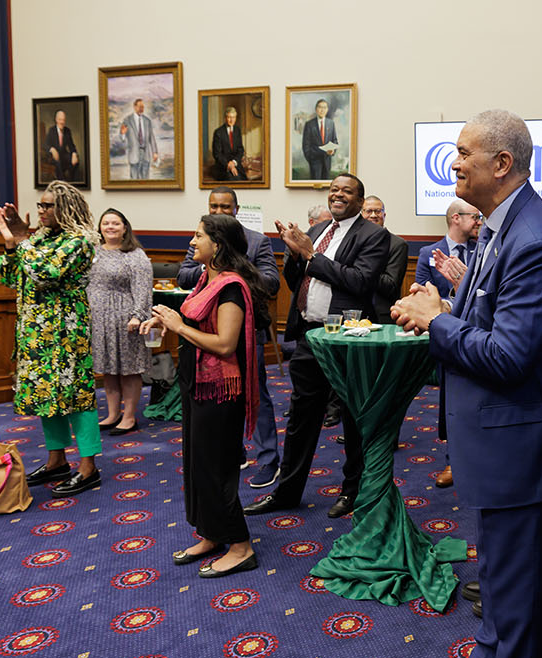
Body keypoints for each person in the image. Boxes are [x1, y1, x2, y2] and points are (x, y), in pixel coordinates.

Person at [393, 109, 542, 658]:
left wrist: (435, 321)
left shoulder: (534, 238)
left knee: (521, 579)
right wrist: (443, 312)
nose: (453, 164)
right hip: (504, 439)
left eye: (462, 153)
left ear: (500, 164)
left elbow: (508, 356)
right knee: (501, 570)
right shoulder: (499, 230)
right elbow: (489, 322)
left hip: (526, 444)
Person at [244, 173, 388, 518]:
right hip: (310, 335)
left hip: (347, 339)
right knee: (301, 418)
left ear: (359, 198)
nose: (337, 195)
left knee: (353, 420)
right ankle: (287, 491)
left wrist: (310, 255)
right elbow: (296, 282)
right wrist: (294, 255)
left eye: (346, 191)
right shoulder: (317, 231)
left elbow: (359, 282)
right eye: (334, 189)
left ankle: (351, 492)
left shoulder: (374, 236)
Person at [146, 214, 265, 578]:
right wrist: (167, 321)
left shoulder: (231, 287)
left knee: (216, 470)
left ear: (219, 245)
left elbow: (225, 344)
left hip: (221, 389)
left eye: (199, 235)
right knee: (198, 466)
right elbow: (197, 323)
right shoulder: (203, 279)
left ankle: (241, 546)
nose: (192, 240)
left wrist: (179, 325)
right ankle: (212, 534)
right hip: (197, 383)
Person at [0, 181, 102, 496]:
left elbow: (44, 273)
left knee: (77, 396)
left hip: (67, 332)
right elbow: (10, 277)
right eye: (40, 205)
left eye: (48, 205)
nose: (41, 211)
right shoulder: (38, 238)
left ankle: (88, 466)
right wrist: (12, 245)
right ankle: (57, 460)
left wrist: (22, 240)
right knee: (46, 394)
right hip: (36, 331)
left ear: (65, 208)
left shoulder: (79, 241)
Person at [178, 188, 281, 488]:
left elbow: (272, 283)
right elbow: (184, 276)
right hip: (206, 335)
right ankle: (233, 452)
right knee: (218, 402)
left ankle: (268, 460)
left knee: (254, 393)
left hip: (245, 334)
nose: (219, 211)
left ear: (236, 209)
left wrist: (233, 265)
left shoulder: (256, 241)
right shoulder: (201, 241)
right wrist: (209, 264)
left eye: (225, 206)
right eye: (214, 206)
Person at [88, 208, 152, 435]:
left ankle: (129, 416)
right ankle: (113, 414)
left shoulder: (135, 255)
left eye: (115, 223)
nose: (110, 227)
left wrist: (138, 315)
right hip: (99, 320)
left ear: (125, 227)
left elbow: (143, 290)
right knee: (109, 369)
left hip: (126, 320)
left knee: (129, 369)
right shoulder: (93, 252)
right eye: (106, 223)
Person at [415, 199, 481, 294]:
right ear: (456, 218)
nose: (479, 223)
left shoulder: (480, 251)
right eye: (475, 217)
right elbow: (425, 294)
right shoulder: (428, 254)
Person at [362, 196, 409, 323]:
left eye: (377, 211)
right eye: (368, 211)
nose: (373, 215)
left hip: (383, 316)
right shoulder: (353, 242)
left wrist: (363, 270)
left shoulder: (397, 244)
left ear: (384, 215)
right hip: (354, 315)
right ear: (361, 214)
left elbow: (390, 285)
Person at [300, 98, 338, 179]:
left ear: (327, 110)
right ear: (316, 109)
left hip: (327, 161)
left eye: (324, 108)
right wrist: (310, 159)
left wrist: (333, 151)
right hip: (315, 162)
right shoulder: (309, 124)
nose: (322, 110)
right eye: (320, 107)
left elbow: (334, 140)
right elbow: (305, 145)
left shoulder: (331, 123)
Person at [120, 98, 157, 179]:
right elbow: (122, 139)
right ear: (134, 107)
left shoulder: (147, 121)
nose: (141, 109)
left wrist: (155, 152)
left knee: (145, 180)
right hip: (134, 155)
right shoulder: (127, 120)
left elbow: (151, 137)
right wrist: (122, 134)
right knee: (134, 180)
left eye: (143, 107)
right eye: (140, 106)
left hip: (146, 154)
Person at [210, 106, 246, 181]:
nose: (231, 120)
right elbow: (217, 154)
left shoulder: (237, 130)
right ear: (225, 118)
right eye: (229, 117)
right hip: (223, 167)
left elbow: (240, 149)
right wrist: (229, 165)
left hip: (236, 164)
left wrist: (233, 162)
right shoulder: (218, 132)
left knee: (244, 180)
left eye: (233, 117)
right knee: (234, 179)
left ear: (236, 118)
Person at [44, 110, 80, 183]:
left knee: (76, 162)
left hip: (63, 155)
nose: (62, 122)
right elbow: (45, 144)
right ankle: (62, 183)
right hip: (53, 156)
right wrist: (52, 149)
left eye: (63, 120)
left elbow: (71, 146)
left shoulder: (67, 131)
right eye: (60, 120)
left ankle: (72, 182)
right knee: (58, 163)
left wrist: (74, 154)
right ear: (56, 120)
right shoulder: (52, 130)